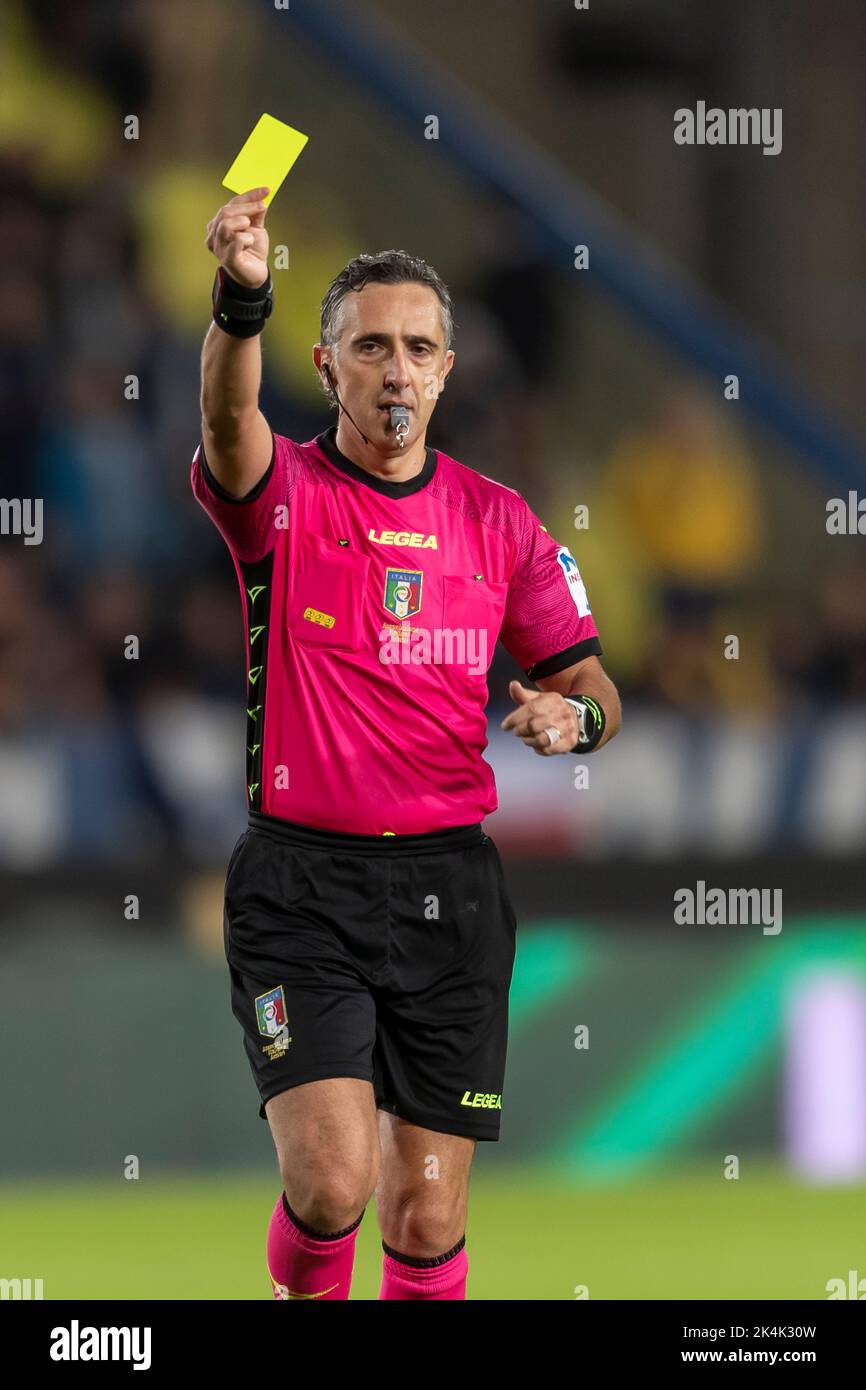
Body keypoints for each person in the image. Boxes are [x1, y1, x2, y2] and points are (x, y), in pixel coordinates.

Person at [191, 187, 622, 1301]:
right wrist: (244, 299)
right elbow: (225, 423)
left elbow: (590, 683)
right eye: (370, 345)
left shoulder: (501, 523)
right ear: (327, 368)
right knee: (334, 1181)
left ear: (445, 370)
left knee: (426, 1214)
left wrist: (575, 719)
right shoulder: (280, 496)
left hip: (449, 888)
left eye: (417, 347)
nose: (395, 368)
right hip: (300, 883)